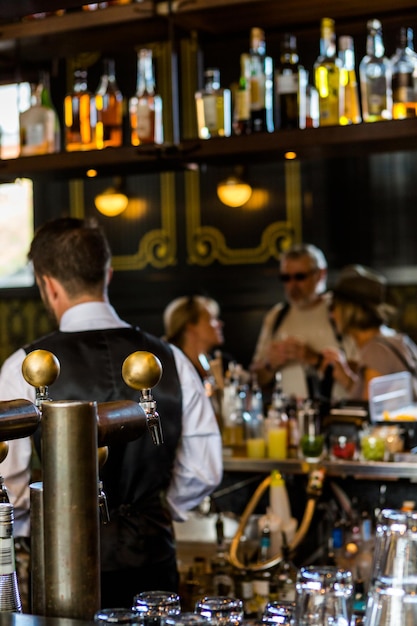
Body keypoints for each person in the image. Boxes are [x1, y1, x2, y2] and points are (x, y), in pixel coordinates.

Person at [0, 217, 223, 609]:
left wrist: (35, 527)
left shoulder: (23, 366)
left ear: (47, 284)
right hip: (152, 560)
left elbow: (9, 487)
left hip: (61, 568)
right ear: (108, 273)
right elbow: (204, 471)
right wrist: (150, 511)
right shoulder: (171, 360)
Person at [251, 243, 357, 404]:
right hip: (290, 417)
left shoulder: (340, 310)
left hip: (338, 414)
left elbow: (364, 371)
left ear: (321, 274)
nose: (292, 285)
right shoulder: (276, 316)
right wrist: (269, 365)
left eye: (300, 277)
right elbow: (255, 378)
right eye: (286, 278)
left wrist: (315, 358)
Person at [321, 264, 417, 400]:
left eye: (333, 307)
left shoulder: (376, 351)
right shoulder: (395, 340)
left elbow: (369, 411)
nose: (331, 315)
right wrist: (344, 377)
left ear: (348, 311)